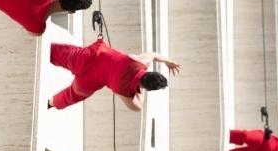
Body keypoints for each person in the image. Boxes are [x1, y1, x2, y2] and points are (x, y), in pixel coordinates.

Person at [47, 38, 179, 111]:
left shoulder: (140, 61)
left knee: (56, 53)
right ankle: (51, 103)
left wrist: (169, 62)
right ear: (147, 89)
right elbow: (139, 107)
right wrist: (138, 89)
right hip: (89, 82)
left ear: (150, 71)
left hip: (89, 58)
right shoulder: (126, 92)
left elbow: (155, 55)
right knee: (72, 95)